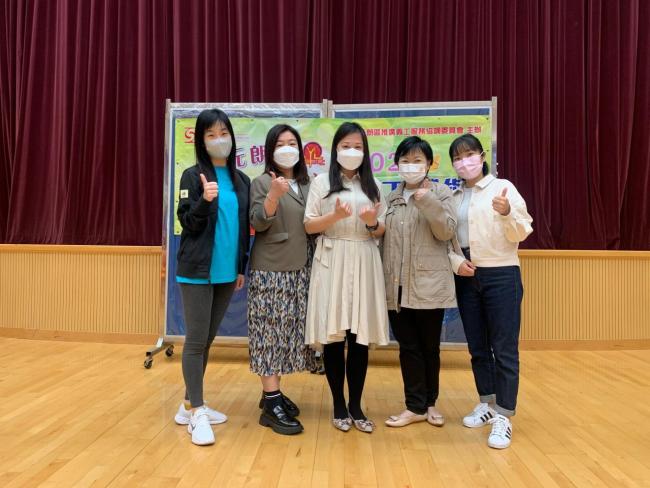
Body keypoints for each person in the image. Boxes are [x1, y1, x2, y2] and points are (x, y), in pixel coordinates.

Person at [447, 133, 533, 449]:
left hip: (502, 274)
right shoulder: (454, 197)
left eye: (469, 154)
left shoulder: (503, 188)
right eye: (457, 158)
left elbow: (523, 231)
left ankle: (504, 416)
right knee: (478, 347)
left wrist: (507, 212)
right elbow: (447, 241)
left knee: (504, 348)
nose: (464, 162)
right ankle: (487, 402)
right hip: (467, 276)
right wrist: (457, 262)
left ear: (482, 157)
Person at [304, 121, 390, 433]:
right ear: (335, 149)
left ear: (365, 151)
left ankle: (356, 405)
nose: (351, 151)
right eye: (345, 146)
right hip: (332, 258)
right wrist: (335, 216)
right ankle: (338, 404)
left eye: (357, 146)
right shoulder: (320, 183)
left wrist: (371, 223)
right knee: (333, 334)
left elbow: (381, 229)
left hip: (364, 258)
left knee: (359, 336)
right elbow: (309, 225)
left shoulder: (374, 185)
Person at [174, 108, 250, 446]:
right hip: (197, 270)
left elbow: (243, 229)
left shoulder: (242, 180)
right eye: (211, 135)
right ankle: (198, 412)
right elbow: (187, 223)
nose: (219, 140)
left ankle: (187, 405)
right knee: (195, 341)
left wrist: (240, 267)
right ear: (201, 141)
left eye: (223, 133)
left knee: (207, 340)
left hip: (226, 272)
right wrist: (205, 201)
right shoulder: (192, 177)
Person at [382, 136, 457, 428]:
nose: (411, 166)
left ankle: (430, 404)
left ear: (428, 164)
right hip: (396, 285)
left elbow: (446, 232)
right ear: (397, 164)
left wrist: (428, 202)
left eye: (417, 161)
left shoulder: (441, 192)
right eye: (405, 160)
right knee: (408, 347)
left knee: (429, 347)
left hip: (429, 284)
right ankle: (414, 406)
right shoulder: (392, 198)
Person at [248, 124, 315, 435]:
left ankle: (271, 394)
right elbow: (258, 222)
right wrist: (273, 196)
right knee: (268, 334)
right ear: (270, 150)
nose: (287, 148)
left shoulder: (309, 183)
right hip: (271, 269)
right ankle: (271, 406)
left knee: (287, 334)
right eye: (280, 144)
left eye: (292, 143)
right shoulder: (262, 182)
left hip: (302, 268)